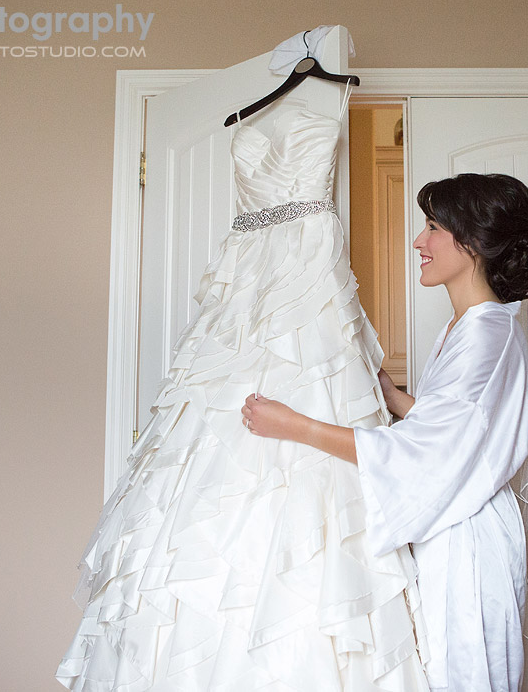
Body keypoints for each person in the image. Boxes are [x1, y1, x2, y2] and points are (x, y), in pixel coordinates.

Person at [57, 91, 430, 691]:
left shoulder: (332, 98)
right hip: (245, 283)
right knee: (206, 455)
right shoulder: (253, 116)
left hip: (309, 273)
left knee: (307, 474)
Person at [243, 173, 528, 692]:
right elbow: (461, 430)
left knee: (464, 677)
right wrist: (399, 400)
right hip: (453, 526)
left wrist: (292, 425)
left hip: (469, 541)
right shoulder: (464, 328)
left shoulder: (488, 336)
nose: (420, 241)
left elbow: (424, 453)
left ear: (476, 243)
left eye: (434, 226)